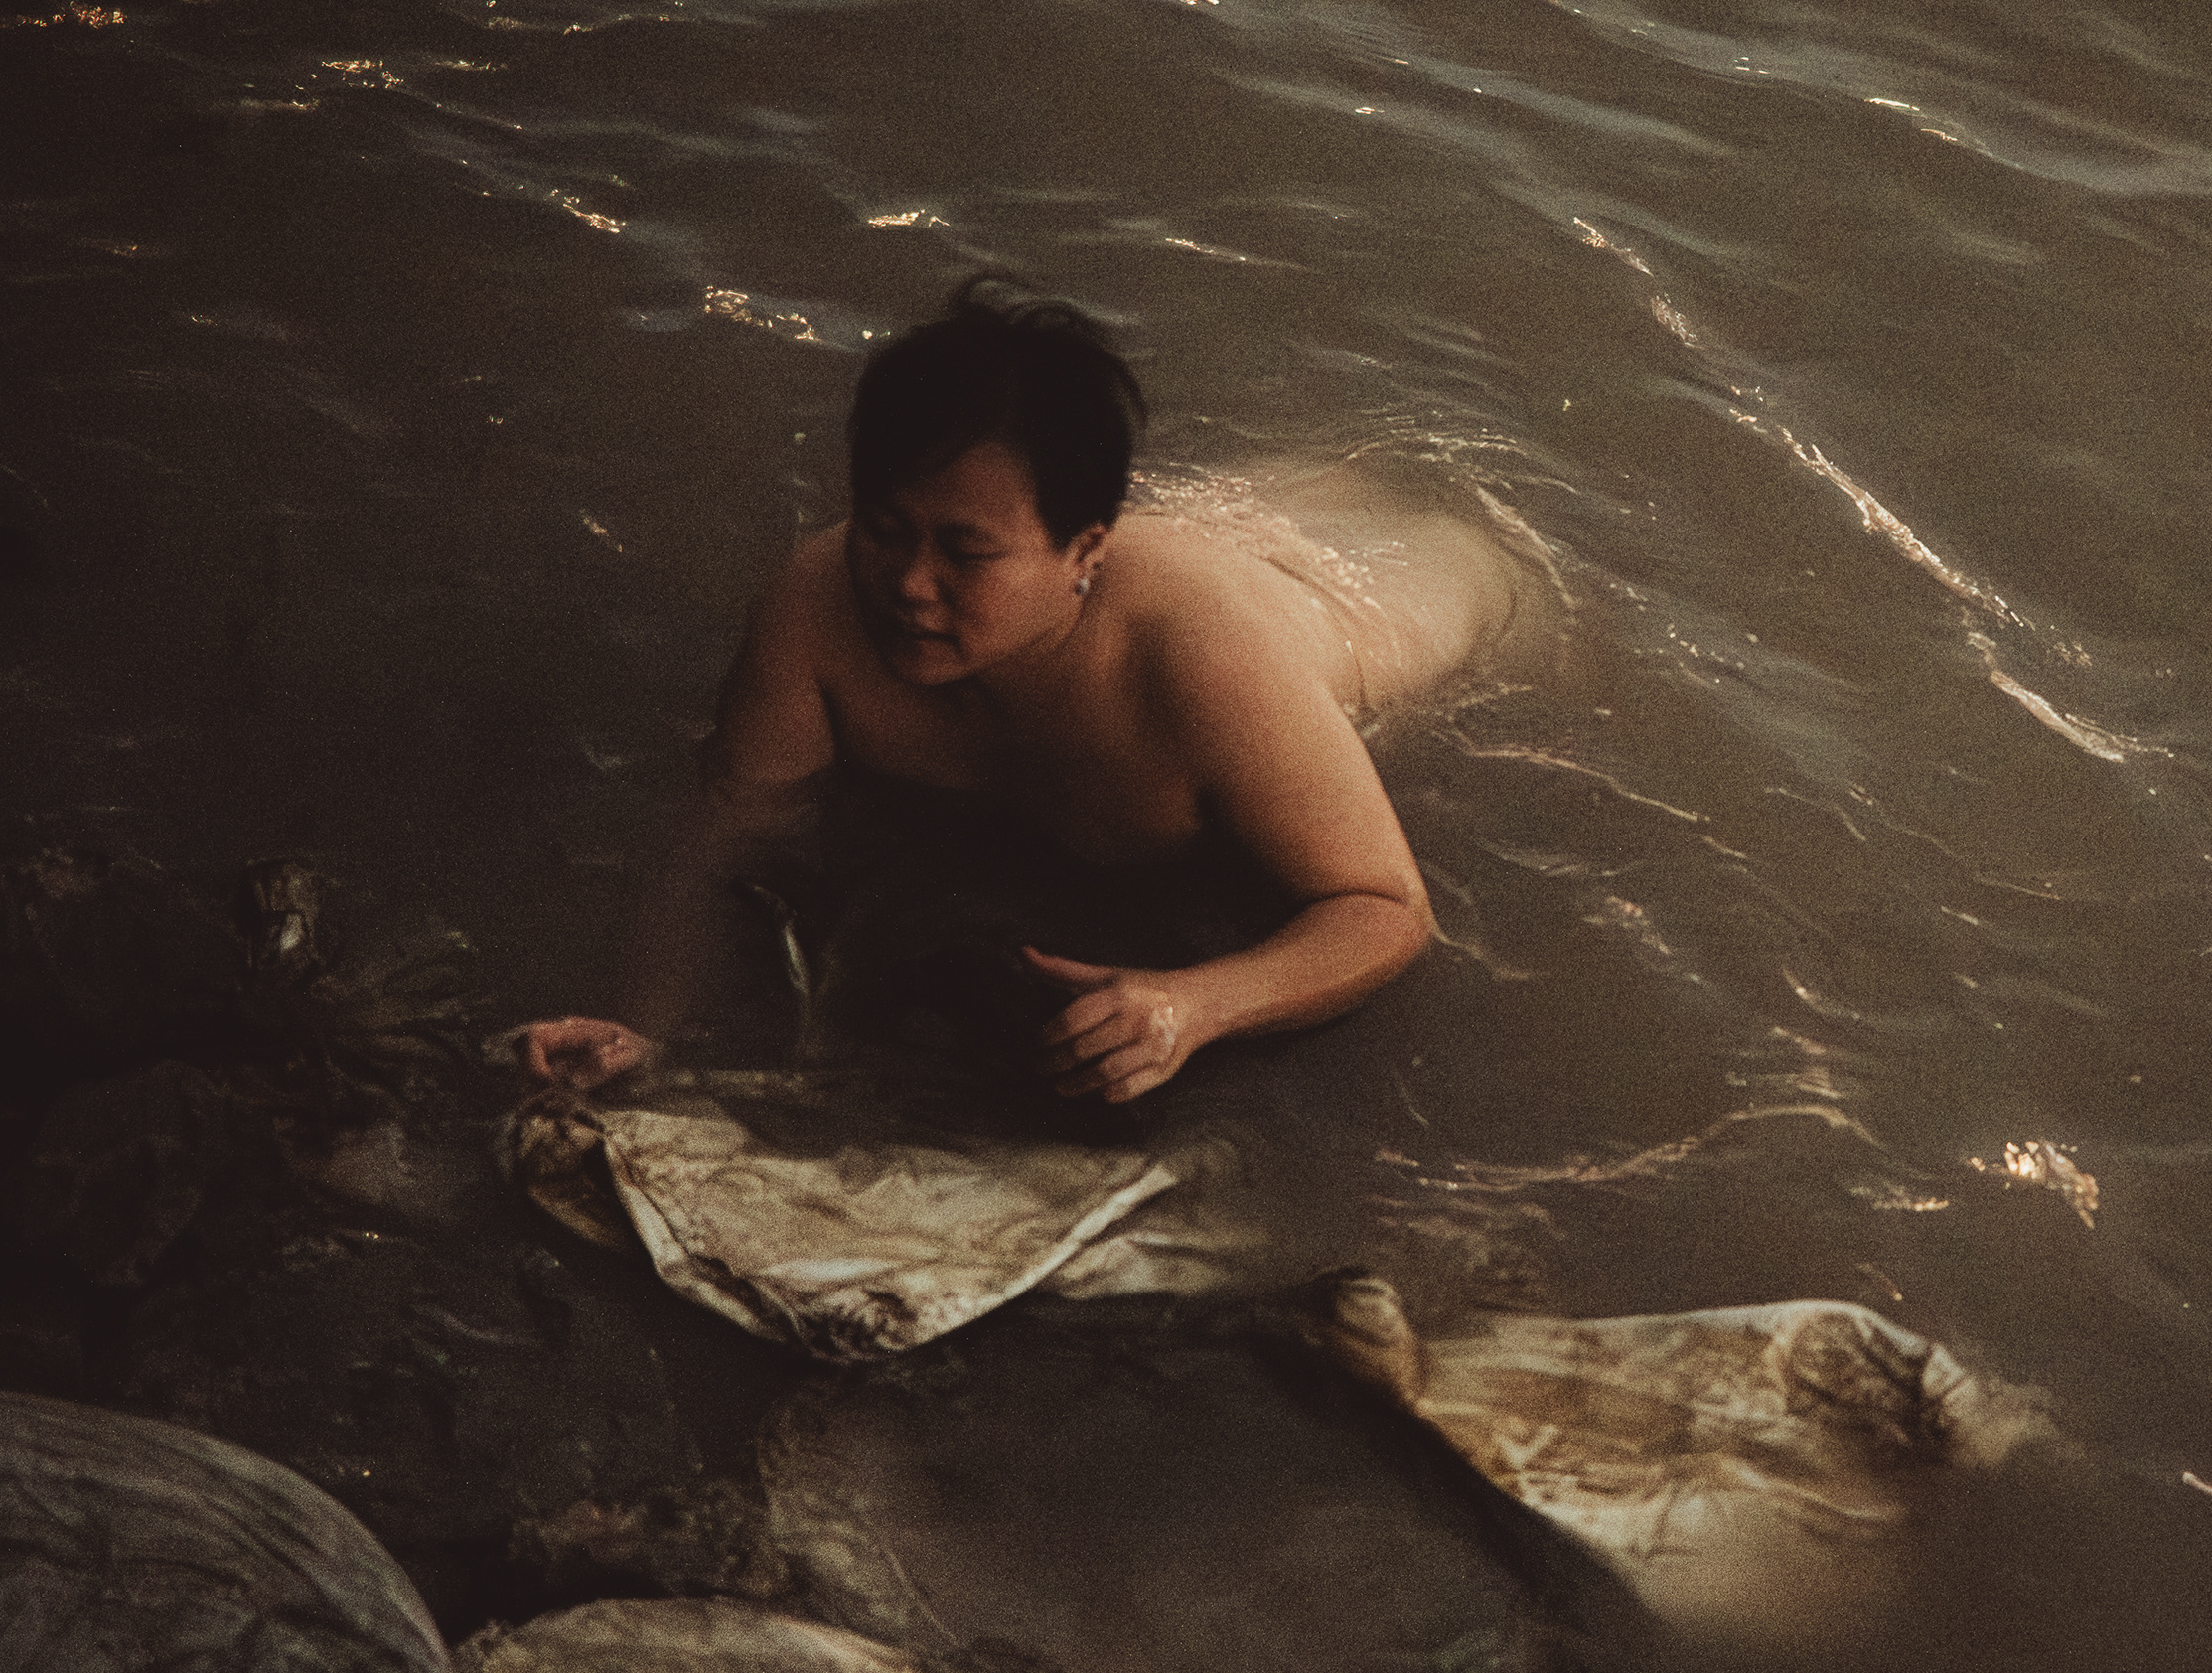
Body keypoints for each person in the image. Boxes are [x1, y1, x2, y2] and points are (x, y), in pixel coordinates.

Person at [521, 278, 1502, 1106]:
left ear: (1085, 551)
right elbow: (723, 842)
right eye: (885, 529)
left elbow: (1384, 908)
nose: (910, 585)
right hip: (1215, 533)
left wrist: (1194, 1004)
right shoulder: (816, 610)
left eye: (963, 553)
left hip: (1420, 590)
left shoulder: (1199, 664)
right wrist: (642, 1030)